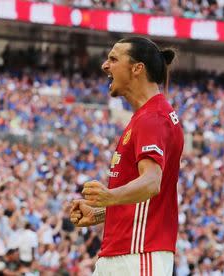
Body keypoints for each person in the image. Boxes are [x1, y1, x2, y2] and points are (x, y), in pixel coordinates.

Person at [70, 37, 183, 276]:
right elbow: (144, 200)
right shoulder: (147, 116)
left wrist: (109, 197)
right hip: (124, 253)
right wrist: (100, 213)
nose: (105, 65)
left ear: (137, 68)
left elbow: (152, 182)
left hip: (138, 255)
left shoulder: (152, 118)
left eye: (113, 59)